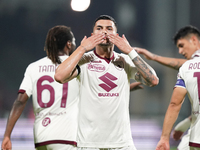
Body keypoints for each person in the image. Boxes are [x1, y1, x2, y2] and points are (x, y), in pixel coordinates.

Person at [54, 15, 159, 150]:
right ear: (92, 35)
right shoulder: (85, 60)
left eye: (109, 29)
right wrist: (82, 48)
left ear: (116, 35)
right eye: (99, 28)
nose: (104, 32)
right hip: (89, 143)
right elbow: (59, 76)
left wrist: (130, 51)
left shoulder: (125, 60)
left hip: (122, 143)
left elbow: (153, 80)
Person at [1, 25, 79, 150]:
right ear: (68, 44)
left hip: (42, 136)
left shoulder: (34, 67)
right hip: (67, 136)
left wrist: (7, 135)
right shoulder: (77, 67)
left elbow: (20, 101)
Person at [155, 25, 200, 150]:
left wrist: (164, 138)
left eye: (181, 45)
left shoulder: (186, 68)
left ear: (194, 40)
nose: (180, 51)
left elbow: (175, 104)